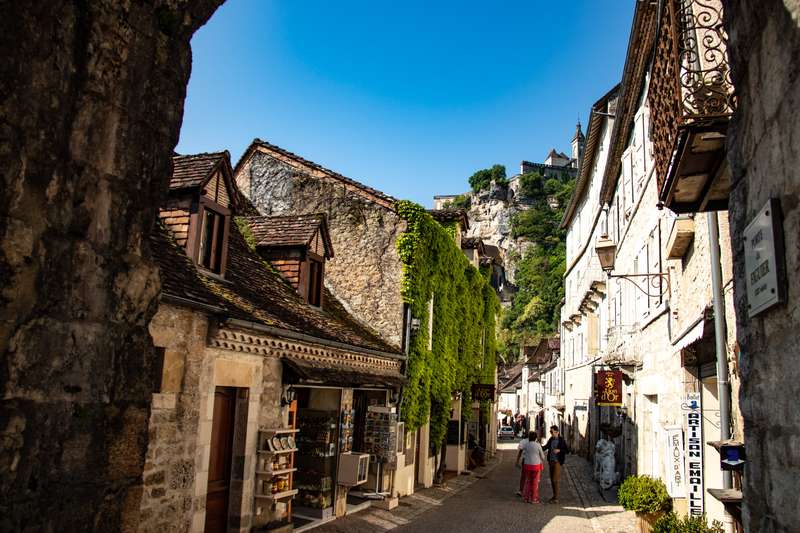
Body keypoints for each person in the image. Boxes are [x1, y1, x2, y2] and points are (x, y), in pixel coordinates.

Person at [515, 431, 546, 503]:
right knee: (535, 482)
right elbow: (543, 457)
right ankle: (534, 498)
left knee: (528, 481)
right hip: (536, 466)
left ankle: (526, 497)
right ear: (535, 438)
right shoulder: (538, 445)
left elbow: (521, 451)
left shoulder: (526, 445)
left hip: (527, 465)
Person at [543, 425, 570, 503]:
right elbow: (545, 447)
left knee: (555, 479)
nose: (551, 433)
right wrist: (538, 446)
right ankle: (554, 496)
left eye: (552, 432)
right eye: (550, 432)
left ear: (557, 432)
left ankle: (556, 498)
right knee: (552, 479)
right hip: (551, 461)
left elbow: (567, 450)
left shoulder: (561, 440)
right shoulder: (551, 439)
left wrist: (559, 450)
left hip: (557, 461)